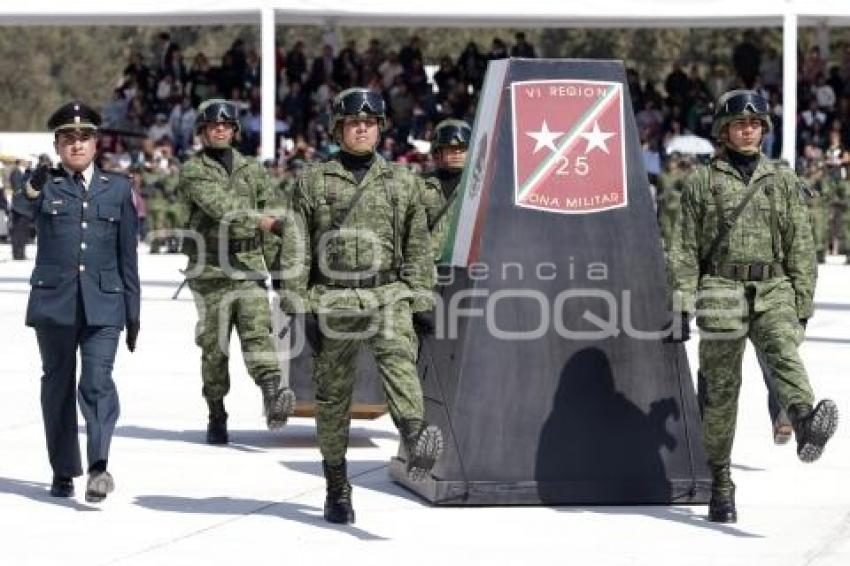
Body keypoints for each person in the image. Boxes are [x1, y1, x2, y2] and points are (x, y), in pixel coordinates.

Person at [667, 89, 839, 523]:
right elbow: (684, 247)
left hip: (773, 286)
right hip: (721, 289)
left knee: (783, 351)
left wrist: (802, 301)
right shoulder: (701, 183)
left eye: (755, 124)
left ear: (764, 130)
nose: (748, 130)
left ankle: (803, 421)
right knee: (721, 393)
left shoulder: (781, 180)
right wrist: (680, 303)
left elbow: (801, 243)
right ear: (724, 131)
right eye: (740, 124)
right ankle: (721, 479)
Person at [276, 88, 442, 524]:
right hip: (333, 297)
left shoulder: (402, 182)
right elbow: (296, 245)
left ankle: (414, 435)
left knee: (399, 362)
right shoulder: (313, 180)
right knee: (333, 397)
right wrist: (297, 303)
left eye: (369, 122)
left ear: (380, 128)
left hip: (387, 292)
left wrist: (421, 299)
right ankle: (336, 484)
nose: (362, 128)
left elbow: (418, 246)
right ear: (339, 129)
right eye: (353, 123)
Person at [11, 102, 140, 502]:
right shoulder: (45, 184)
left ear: (96, 143)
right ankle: (64, 469)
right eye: (68, 138)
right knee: (58, 388)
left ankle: (99, 466)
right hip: (55, 305)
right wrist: (31, 183)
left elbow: (127, 257)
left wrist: (133, 314)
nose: (77, 145)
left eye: (84, 138)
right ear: (58, 144)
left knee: (98, 383)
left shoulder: (117, 188)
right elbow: (19, 209)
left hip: (105, 306)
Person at [176, 99, 295, 445]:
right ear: (202, 131)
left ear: (235, 130)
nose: (220, 129)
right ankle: (216, 409)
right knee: (215, 348)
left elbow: (274, 218)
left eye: (226, 125)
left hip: (249, 266)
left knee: (258, 333)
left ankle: (273, 393)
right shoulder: (193, 170)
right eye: (213, 125)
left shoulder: (253, 170)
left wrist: (277, 272)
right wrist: (266, 222)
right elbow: (221, 207)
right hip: (211, 270)